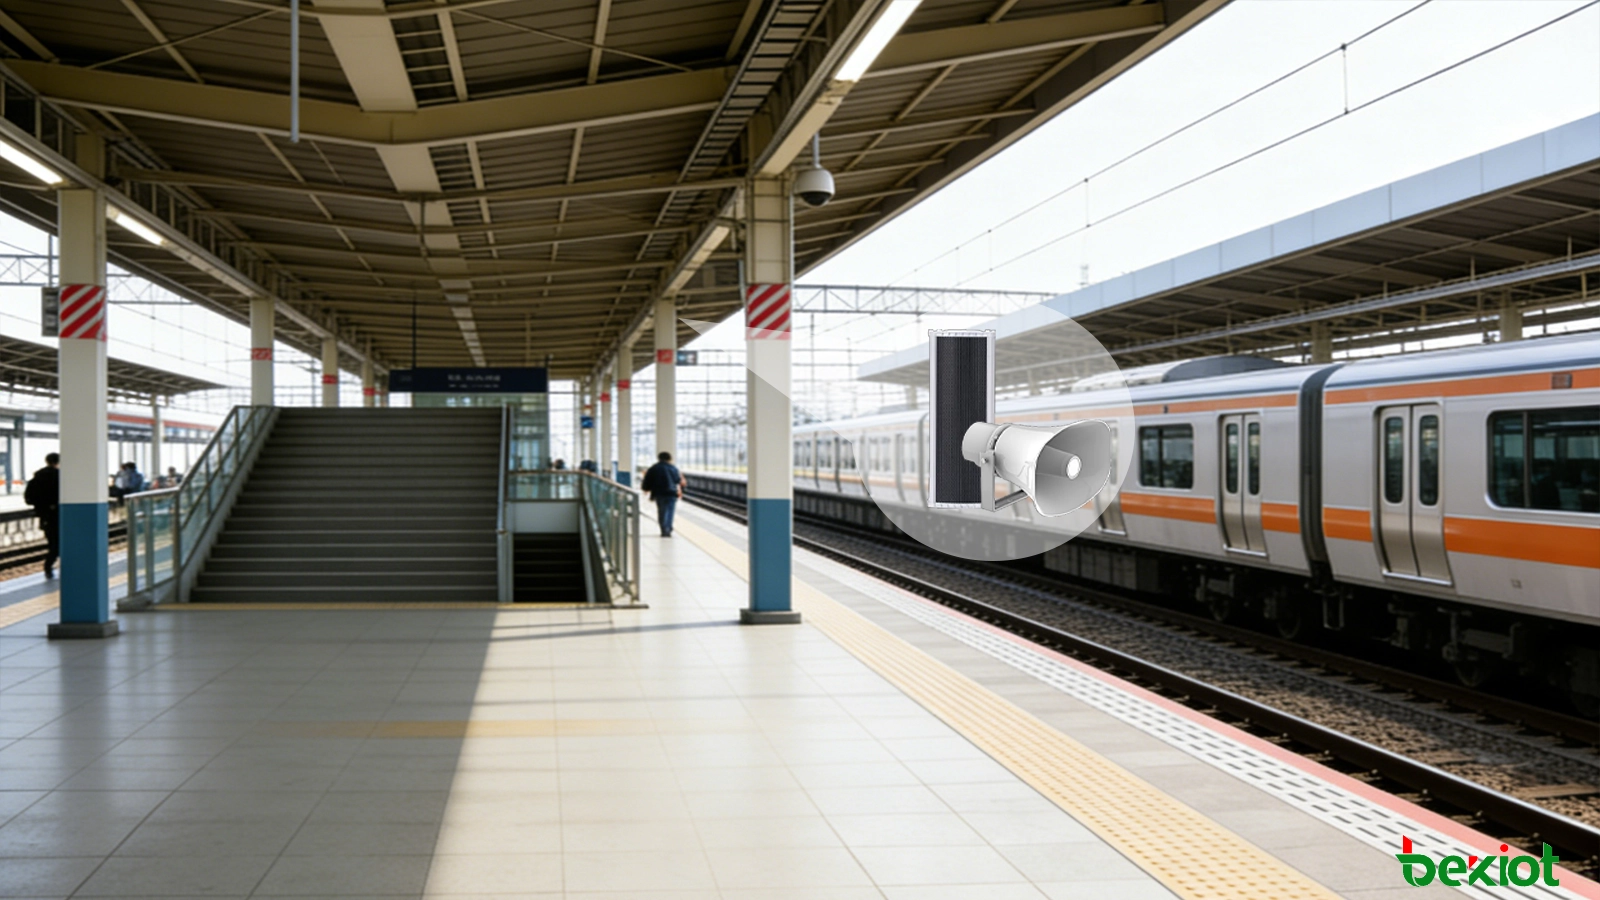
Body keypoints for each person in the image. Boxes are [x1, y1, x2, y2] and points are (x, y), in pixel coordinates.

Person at [24, 453, 60, 579]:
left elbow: (28, 499)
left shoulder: (36, 478)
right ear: (58, 462)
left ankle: (48, 567)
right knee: (60, 545)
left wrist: (42, 505)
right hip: (60, 516)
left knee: (53, 543)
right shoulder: (61, 477)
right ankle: (50, 566)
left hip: (45, 516)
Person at [640, 451, 683, 537]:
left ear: (659, 458)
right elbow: (677, 480)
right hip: (671, 493)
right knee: (670, 511)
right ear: (669, 458)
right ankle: (668, 528)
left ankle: (664, 529)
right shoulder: (673, 468)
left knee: (662, 511)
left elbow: (648, 480)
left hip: (659, 493)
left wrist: (645, 489)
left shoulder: (653, 468)